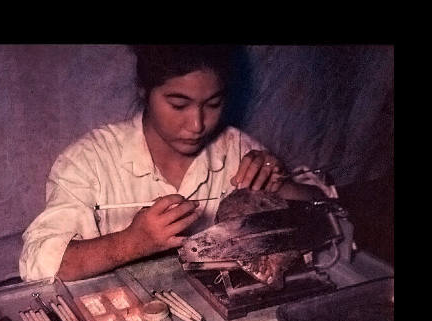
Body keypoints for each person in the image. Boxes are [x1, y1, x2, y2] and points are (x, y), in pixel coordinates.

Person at [19, 45, 326, 282]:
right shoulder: (88, 162)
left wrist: (279, 186)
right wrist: (130, 243)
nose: (197, 124)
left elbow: (326, 216)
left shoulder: (237, 149)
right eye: (178, 104)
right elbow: (38, 263)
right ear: (145, 90)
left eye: (213, 104)